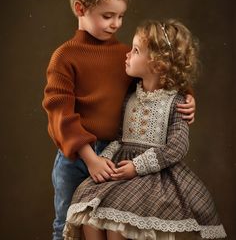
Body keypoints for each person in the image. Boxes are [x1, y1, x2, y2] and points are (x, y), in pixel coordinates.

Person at [42, 0, 196, 240]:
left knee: (112, 226)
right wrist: (89, 158)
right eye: (107, 16)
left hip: (118, 155)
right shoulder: (65, 57)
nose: (116, 24)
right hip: (76, 157)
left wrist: (187, 99)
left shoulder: (127, 57)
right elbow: (60, 114)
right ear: (81, 8)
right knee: (68, 223)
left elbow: (158, 80)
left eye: (121, 16)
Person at [63, 19, 227, 240]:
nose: (127, 54)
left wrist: (137, 167)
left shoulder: (175, 102)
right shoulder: (130, 96)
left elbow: (177, 147)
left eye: (136, 50)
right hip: (121, 167)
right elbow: (121, 137)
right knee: (89, 215)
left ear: (157, 65)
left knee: (117, 225)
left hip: (153, 175)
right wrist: (107, 158)